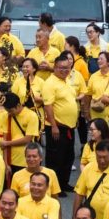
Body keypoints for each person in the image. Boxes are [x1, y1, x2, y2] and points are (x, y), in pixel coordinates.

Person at [43, 54, 79, 193]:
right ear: (55, 68)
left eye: (67, 68)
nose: (64, 70)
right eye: (61, 68)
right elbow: (48, 106)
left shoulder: (67, 80)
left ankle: (64, 183)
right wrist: (53, 126)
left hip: (69, 127)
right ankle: (55, 188)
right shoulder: (50, 83)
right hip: (57, 127)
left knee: (68, 157)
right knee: (55, 158)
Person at [0, 92, 40, 178]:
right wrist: (6, 164)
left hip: (25, 160)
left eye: (11, 111)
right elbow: (4, 141)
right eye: (7, 111)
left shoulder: (31, 116)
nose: (9, 113)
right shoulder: (6, 116)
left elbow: (27, 139)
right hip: (10, 160)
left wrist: (7, 143)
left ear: (18, 105)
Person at [85, 51, 109, 121]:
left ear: (108, 62)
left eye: (101, 59)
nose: (98, 61)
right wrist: (86, 111)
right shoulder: (93, 76)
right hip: (96, 111)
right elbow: (88, 95)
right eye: (98, 59)